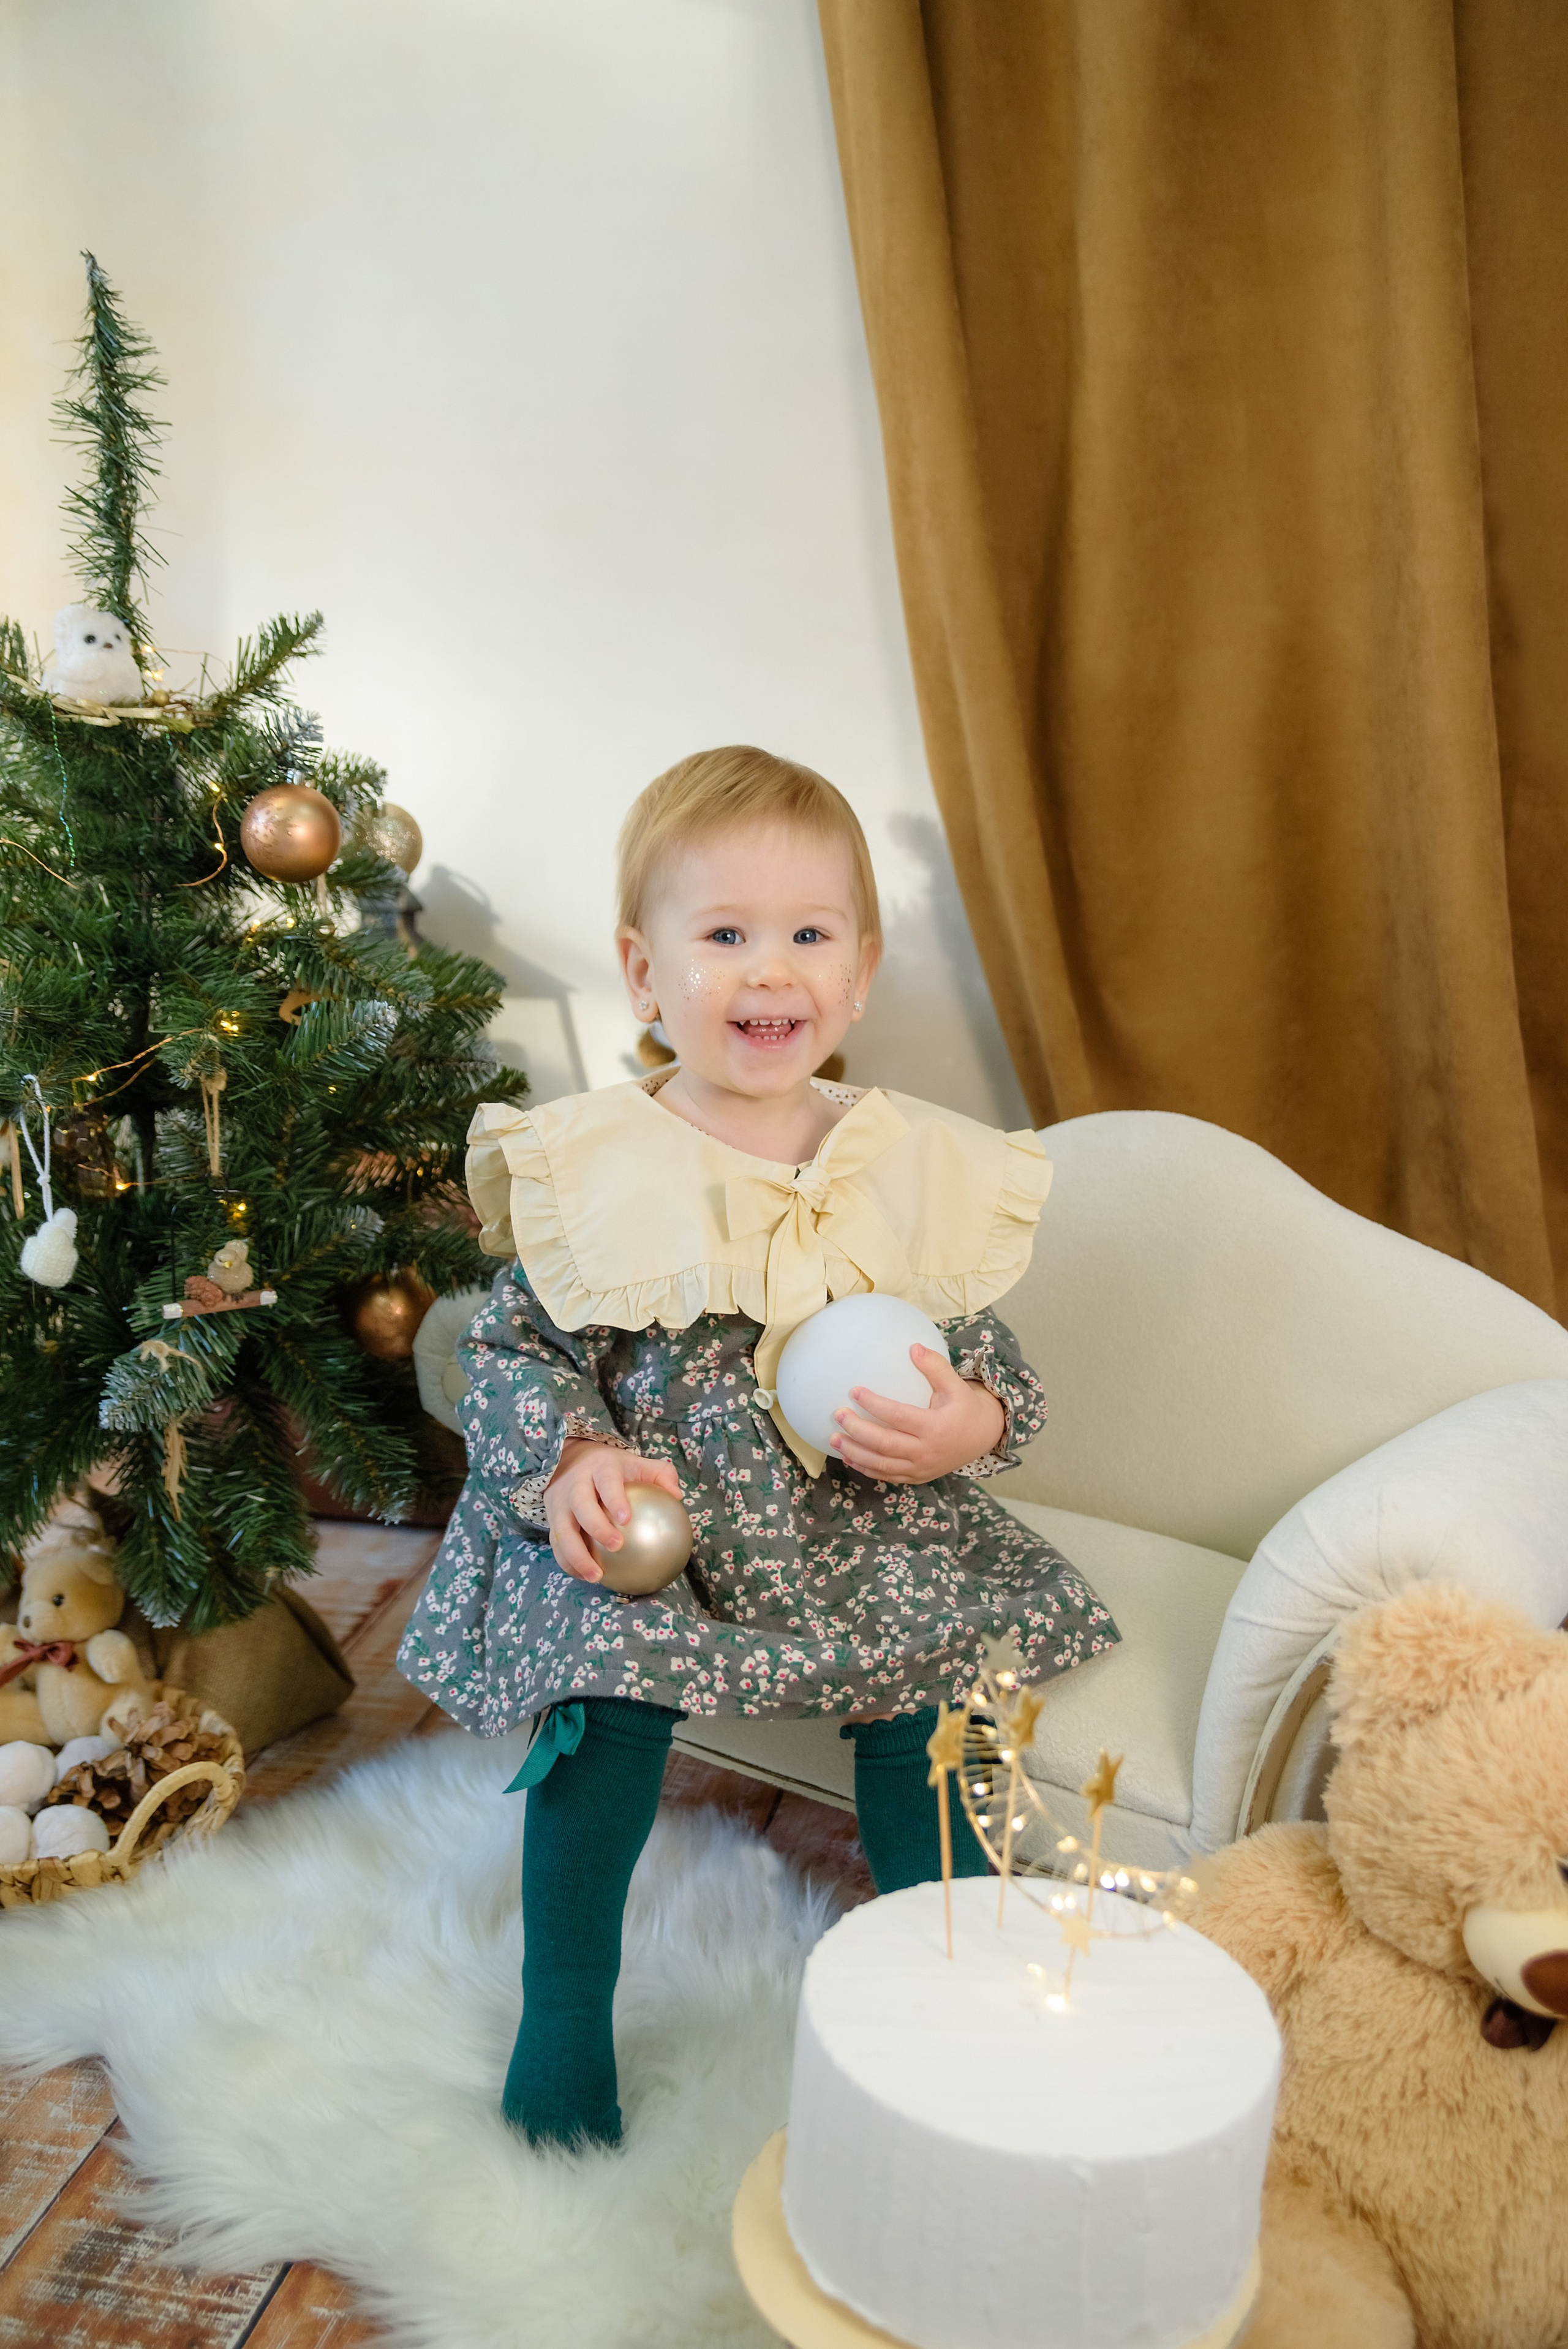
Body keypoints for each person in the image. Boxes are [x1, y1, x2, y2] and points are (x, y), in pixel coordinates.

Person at [398, 745, 1119, 2150]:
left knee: (936, 1704)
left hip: (854, 1519)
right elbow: (510, 1353)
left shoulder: (901, 1160)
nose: (767, 970)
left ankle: (940, 1986)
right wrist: (573, 1465)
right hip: (663, 1518)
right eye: (723, 935)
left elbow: (986, 1363)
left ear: (855, 973)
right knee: (600, 1687)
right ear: (644, 970)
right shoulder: (597, 1164)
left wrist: (965, 1422)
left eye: (804, 935)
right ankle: (565, 2011)